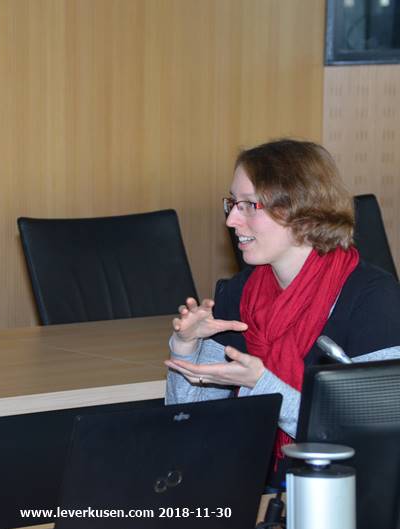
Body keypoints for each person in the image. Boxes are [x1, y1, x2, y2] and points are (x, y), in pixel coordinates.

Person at [164, 139, 400, 481]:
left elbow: (372, 435)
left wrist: (262, 385)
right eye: (232, 203)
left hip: (346, 489)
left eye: (248, 205)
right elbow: (189, 421)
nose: (231, 220)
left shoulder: (373, 299)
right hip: (255, 481)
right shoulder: (240, 294)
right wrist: (186, 347)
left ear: (301, 212)